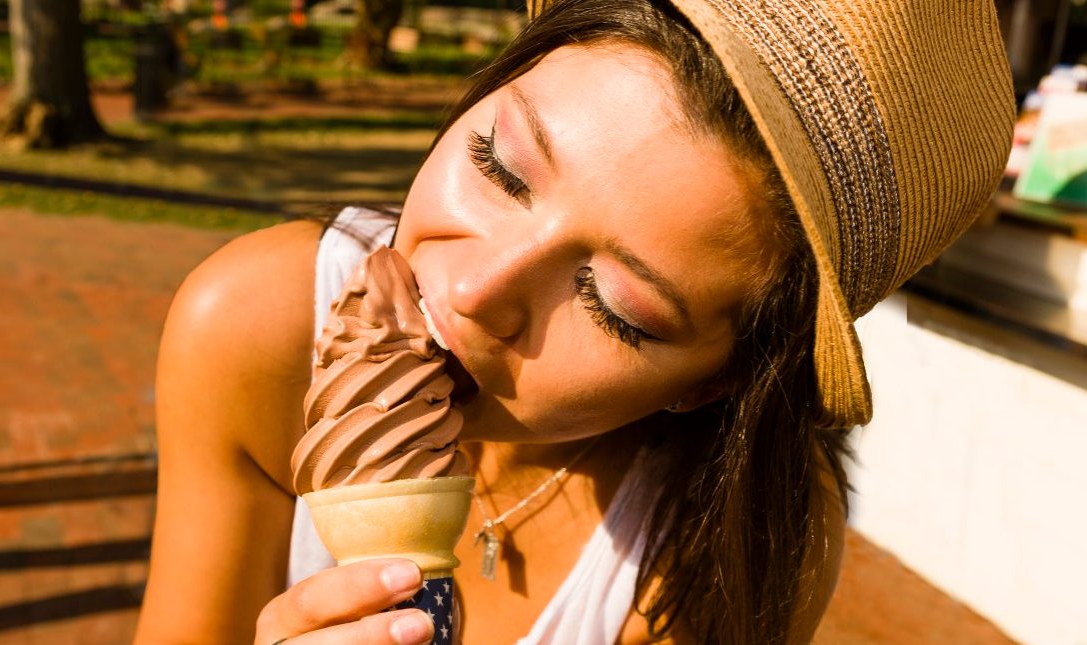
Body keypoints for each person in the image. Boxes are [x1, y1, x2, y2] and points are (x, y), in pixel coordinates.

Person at [134, 0, 1014, 643]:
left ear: (712, 381)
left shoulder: (736, 543)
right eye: (499, 164)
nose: (476, 288)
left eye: (615, 306)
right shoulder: (263, 328)